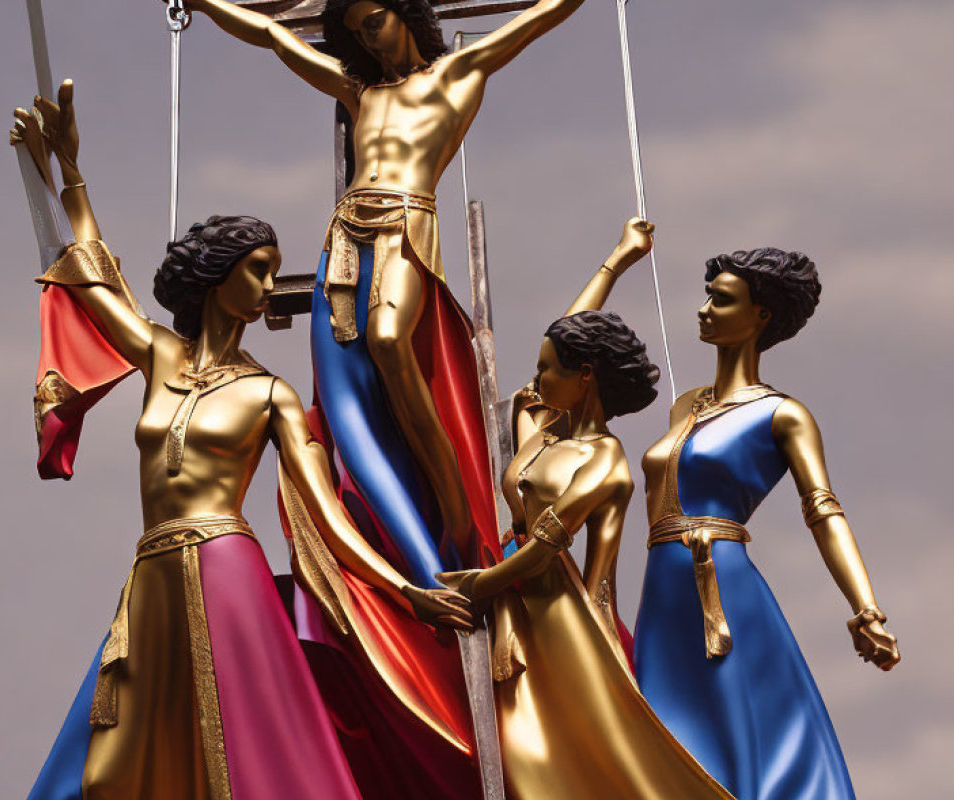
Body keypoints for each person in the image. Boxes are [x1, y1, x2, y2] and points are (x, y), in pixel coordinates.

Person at [13, 81, 472, 800]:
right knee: (112, 751)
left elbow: (327, 516)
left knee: (254, 750)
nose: (267, 285)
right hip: (152, 576)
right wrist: (68, 172)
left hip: (230, 572)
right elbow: (98, 281)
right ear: (215, 276)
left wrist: (408, 591)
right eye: (256, 269)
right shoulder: (163, 357)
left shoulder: (270, 395)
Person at [168, 0, 593, 584]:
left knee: (390, 340)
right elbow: (272, 35)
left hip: (404, 225)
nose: (367, 40)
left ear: (404, 14)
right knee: (347, 395)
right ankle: (395, 529)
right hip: (343, 237)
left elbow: (541, 14)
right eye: (355, 33)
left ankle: (458, 518)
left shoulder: (458, 73)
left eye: (373, 23)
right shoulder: (359, 91)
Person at [436, 219, 736, 800]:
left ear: (585, 378)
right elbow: (570, 336)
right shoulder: (545, 427)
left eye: (550, 368)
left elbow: (547, 546)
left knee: (541, 762)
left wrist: (480, 587)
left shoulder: (606, 462)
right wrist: (618, 259)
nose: (538, 375)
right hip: (513, 597)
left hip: (564, 618)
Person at [634, 247, 901, 800]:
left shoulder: (783, 414)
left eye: (722, 300)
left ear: (762, 316)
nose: (705, 309)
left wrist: (865, 609)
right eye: (708, 295)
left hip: (722, 588)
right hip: (662, 589)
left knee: (732, 735)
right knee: (657, 731)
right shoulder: (685, 408)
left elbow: (824, 511)